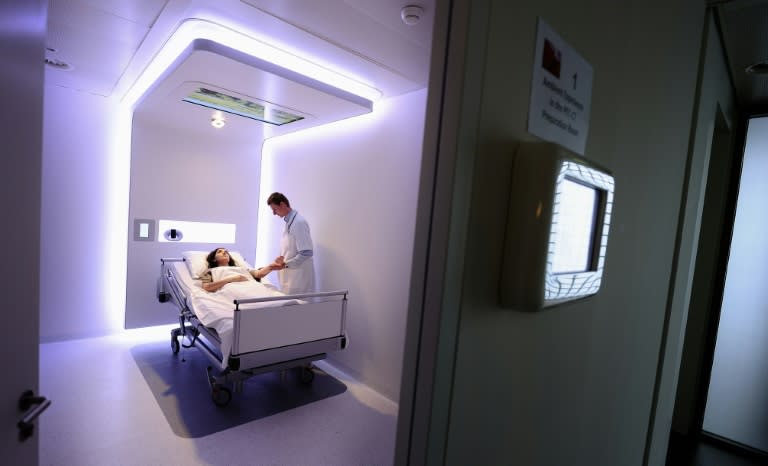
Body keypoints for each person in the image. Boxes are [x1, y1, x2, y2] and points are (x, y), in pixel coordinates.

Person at [267, 192, 316, 294]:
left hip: (299, 278)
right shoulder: (289, 223)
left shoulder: (299, 222)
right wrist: (281, 260)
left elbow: (306, 252)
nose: (274, 213)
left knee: (299, 308)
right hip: (291, 278)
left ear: (282, 205)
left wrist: (285, 264)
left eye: (274, 209)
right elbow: (290, 249)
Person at [200, 247, 280, 292]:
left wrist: (271, 267)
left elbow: (259, 274)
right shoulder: (210, 272)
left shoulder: (242, 269)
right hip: (233, 290)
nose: (224, 253)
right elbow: (207, 287)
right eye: (220, 252)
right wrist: (232, 279)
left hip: (252, 287)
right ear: (214, 259)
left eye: (226, 252)